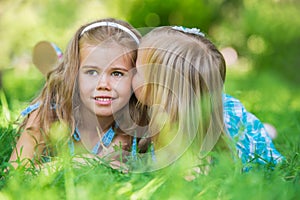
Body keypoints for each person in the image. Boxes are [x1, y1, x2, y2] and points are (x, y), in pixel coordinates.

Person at [132, 26, 284, 171]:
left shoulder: (190, 144)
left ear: (161, 90)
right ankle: (268, 128)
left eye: (137, 70)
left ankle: (267, 131)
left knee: (260, 132)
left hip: (237, 125)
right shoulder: (147, 112)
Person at [9, 18, 148, 170]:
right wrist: (78, 162)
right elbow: (12, 174)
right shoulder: (47, 116)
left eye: (117, 73)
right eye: (92, 72)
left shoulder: (139, 120)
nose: (103, 85)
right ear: (74, 75)